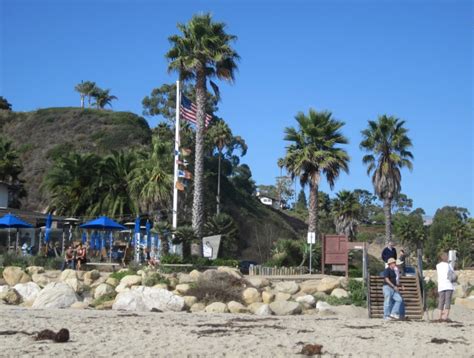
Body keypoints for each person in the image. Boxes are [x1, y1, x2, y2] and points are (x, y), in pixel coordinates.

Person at [436, 252, 455, 321]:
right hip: (448, 285)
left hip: (441, 285)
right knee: (447, 301)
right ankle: (445, 316)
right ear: (446, 258)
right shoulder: (448, 265)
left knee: (441, 301)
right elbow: (453, 274)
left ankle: (439, 316)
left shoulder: (437, 265)